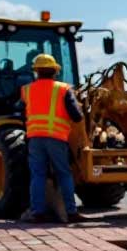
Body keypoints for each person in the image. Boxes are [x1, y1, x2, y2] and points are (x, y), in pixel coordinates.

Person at [20, 53, 85, 224]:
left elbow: (22, 113)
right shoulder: (63, 89)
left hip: (35, 138)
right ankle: (71, 212)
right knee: (64, 174)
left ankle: (37, 213)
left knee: (38, 175)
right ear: (55, 71)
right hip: (56, 137)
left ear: (37, 72)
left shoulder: (27, 89)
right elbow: (76, 116)